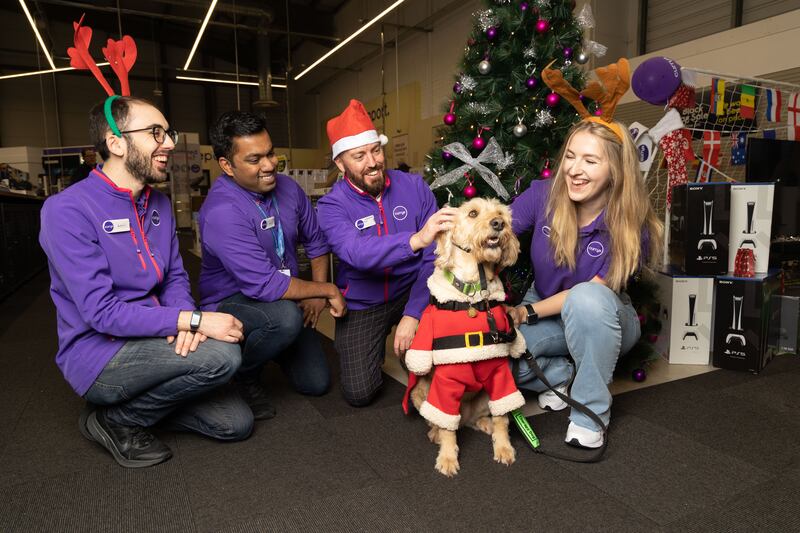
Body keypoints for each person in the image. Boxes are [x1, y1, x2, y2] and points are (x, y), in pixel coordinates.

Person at [39, 96, 252, 469]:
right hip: (101, 353)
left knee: (235, 423)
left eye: (168, 133)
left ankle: (139, 406)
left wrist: (184, 322)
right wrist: (194, 321)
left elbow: (174, 277)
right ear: (116, 142)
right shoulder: (66, 210)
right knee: (223, 357)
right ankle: (114, 418)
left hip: (157, 334)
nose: (168, 143)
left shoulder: (160, 204)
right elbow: (101, 313)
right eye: (155, 133)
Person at [507, 116, 663, 449]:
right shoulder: (544, 194)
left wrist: (525, 312)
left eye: (590, 161)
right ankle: (559, 376)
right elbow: (496, 228)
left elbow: (591, 293)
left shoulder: (631, 224)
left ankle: (589, 416)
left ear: (615, 170)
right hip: (544, 305)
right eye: (570, 156)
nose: (574, 170)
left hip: (603, 314)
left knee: (586, 298)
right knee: (494, 361)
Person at [200, 111, 347, 419]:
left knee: (316, 383)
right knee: (285, 319)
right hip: (233, 301)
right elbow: (264, 285)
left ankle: (272, 344)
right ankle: (243, 373)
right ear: (226, 165)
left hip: (282, 297)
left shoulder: (289, 188)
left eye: (270, 153)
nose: (269, 165)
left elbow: (316, 242)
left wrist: (316, 295)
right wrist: (326, 289)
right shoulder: (222, 211)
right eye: (254, 159)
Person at [316, 99, 456, 406]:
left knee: (436, 369)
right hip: (364, 301)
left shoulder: (414, 186)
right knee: (359, 393)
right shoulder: (331, 206)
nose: (372, 162)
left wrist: (413, 313)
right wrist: (415, 240)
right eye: (359, 156)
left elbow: (433, 255)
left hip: (413, 290)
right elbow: (356, 252)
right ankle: (373, 345)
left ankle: (414, 342)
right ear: (340, 163)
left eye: (376, 150)